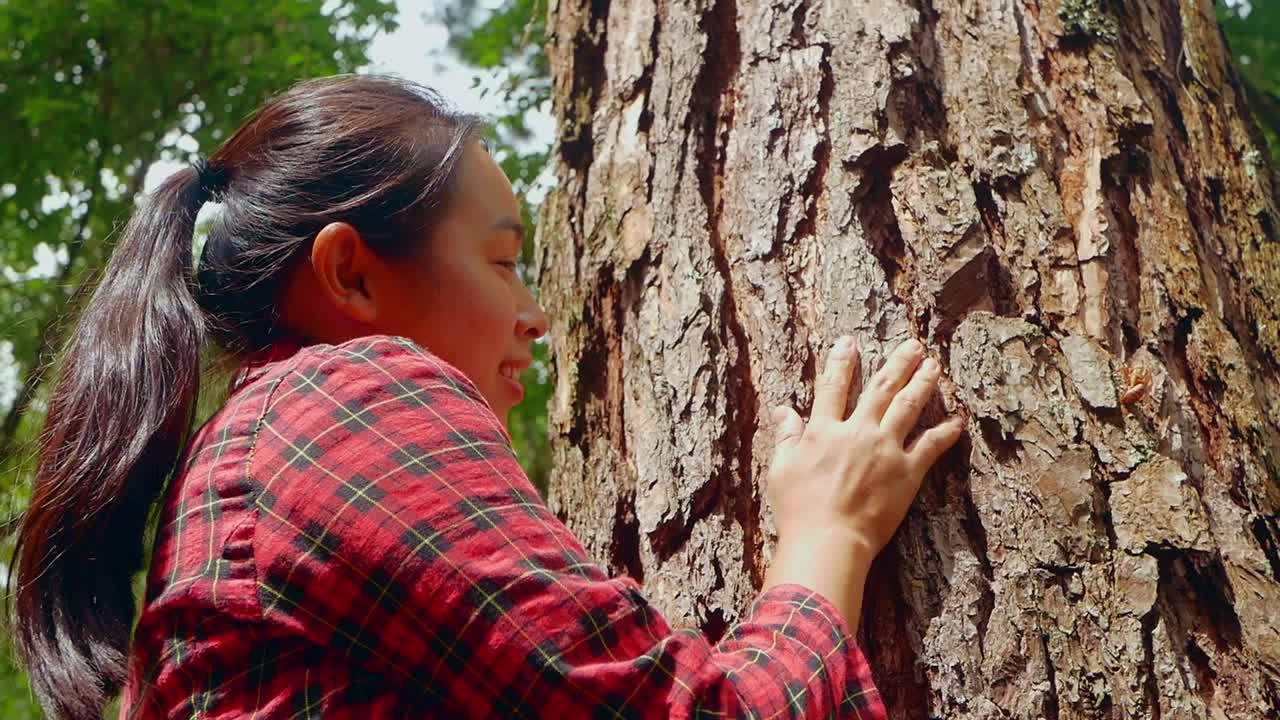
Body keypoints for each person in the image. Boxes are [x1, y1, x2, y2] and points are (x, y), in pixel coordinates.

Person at [7, 74, 963, 719]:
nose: (535, 315)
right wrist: (827, 538)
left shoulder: (245, 461)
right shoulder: (349, 397)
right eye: (502, 261)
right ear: (352, 275)